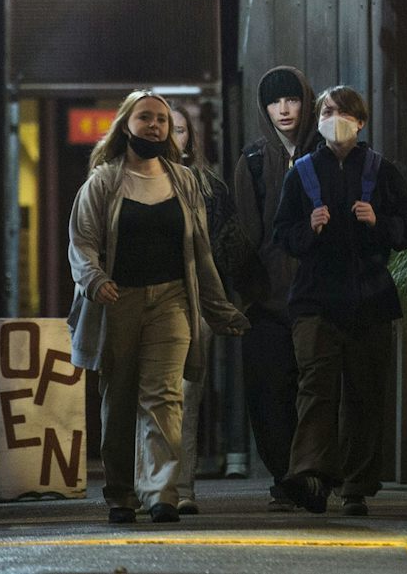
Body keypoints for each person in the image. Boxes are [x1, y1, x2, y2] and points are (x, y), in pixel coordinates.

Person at [68, 90, 249, 525]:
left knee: (164, 395)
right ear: (125, 126)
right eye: (145, 117)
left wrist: (218, 307)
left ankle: (160, 492)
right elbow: (83, 242)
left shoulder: (183, 181)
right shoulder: (104, 181)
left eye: (161, 120)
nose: (154, 125)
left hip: (172, 299)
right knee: (120, 396)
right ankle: (121, 493)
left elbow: (201, 250)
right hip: (120, 300)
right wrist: (96, 280)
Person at [271, 85, 407, 517]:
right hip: (315, 298)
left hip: (370, 299)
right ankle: (311, 478)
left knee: (365, 393)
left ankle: (357, 485)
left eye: (341, 111)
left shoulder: (382, 170)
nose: (332, 117)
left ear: (360, 121)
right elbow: (282, 233)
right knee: (315, 388)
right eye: (326, 110)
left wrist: (380, 223)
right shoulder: (301, 172)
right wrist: (309, 228)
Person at [230, 64, 315, 510]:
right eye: (274, 102)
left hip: (319, 296)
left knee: (315, 394)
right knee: (269, 395)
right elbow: (244, 233)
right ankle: (286, 477)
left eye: (292, 99)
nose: (283, 109)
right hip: (266, 299)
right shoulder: (255, 160)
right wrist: (246, 297)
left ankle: (311, 477)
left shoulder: (326, 151)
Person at [169, 102, 247, 515]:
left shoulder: (209, 187)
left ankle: (181, 487)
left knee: (186, 395)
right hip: (144, 301)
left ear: (190, 137)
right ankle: (147, 485)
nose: (171, 135)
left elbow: (231, 247)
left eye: (179, 128)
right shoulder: (123, 181)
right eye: (164, 126)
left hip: (197, 302)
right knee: (148, 396)